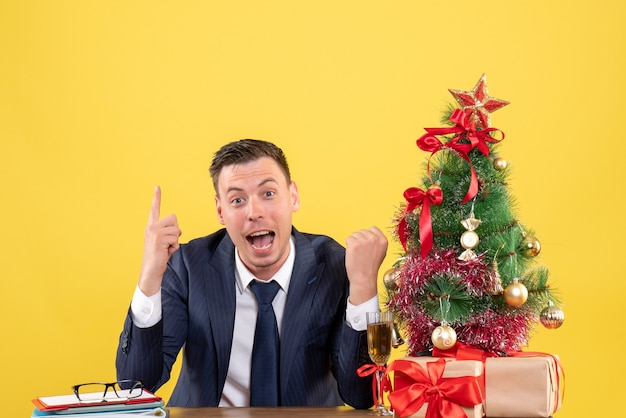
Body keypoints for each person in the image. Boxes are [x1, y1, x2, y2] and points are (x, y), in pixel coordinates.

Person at [116, 139, 388, 408]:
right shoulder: (189, 266)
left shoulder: (334, 265)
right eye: (237, 200)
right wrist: (150, 275)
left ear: (293, 196)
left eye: (268, 194)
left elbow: (361, 396)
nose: (254, 212)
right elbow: (137, 384)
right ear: (220, 210)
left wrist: (363, 287)